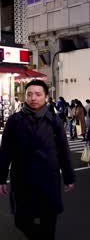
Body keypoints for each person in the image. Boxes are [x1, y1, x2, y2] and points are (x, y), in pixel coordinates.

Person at [0, 80, 75, 240]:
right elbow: (5, 151)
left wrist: (69, 177)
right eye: (29, 94)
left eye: (38, 94)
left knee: (49, 222)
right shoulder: (15, 121)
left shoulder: (54, 121)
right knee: (21, 221)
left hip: (48, 178)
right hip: (22, 179)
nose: (33, 97)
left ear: (46, 97)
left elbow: (63, 151)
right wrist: (1, 177)